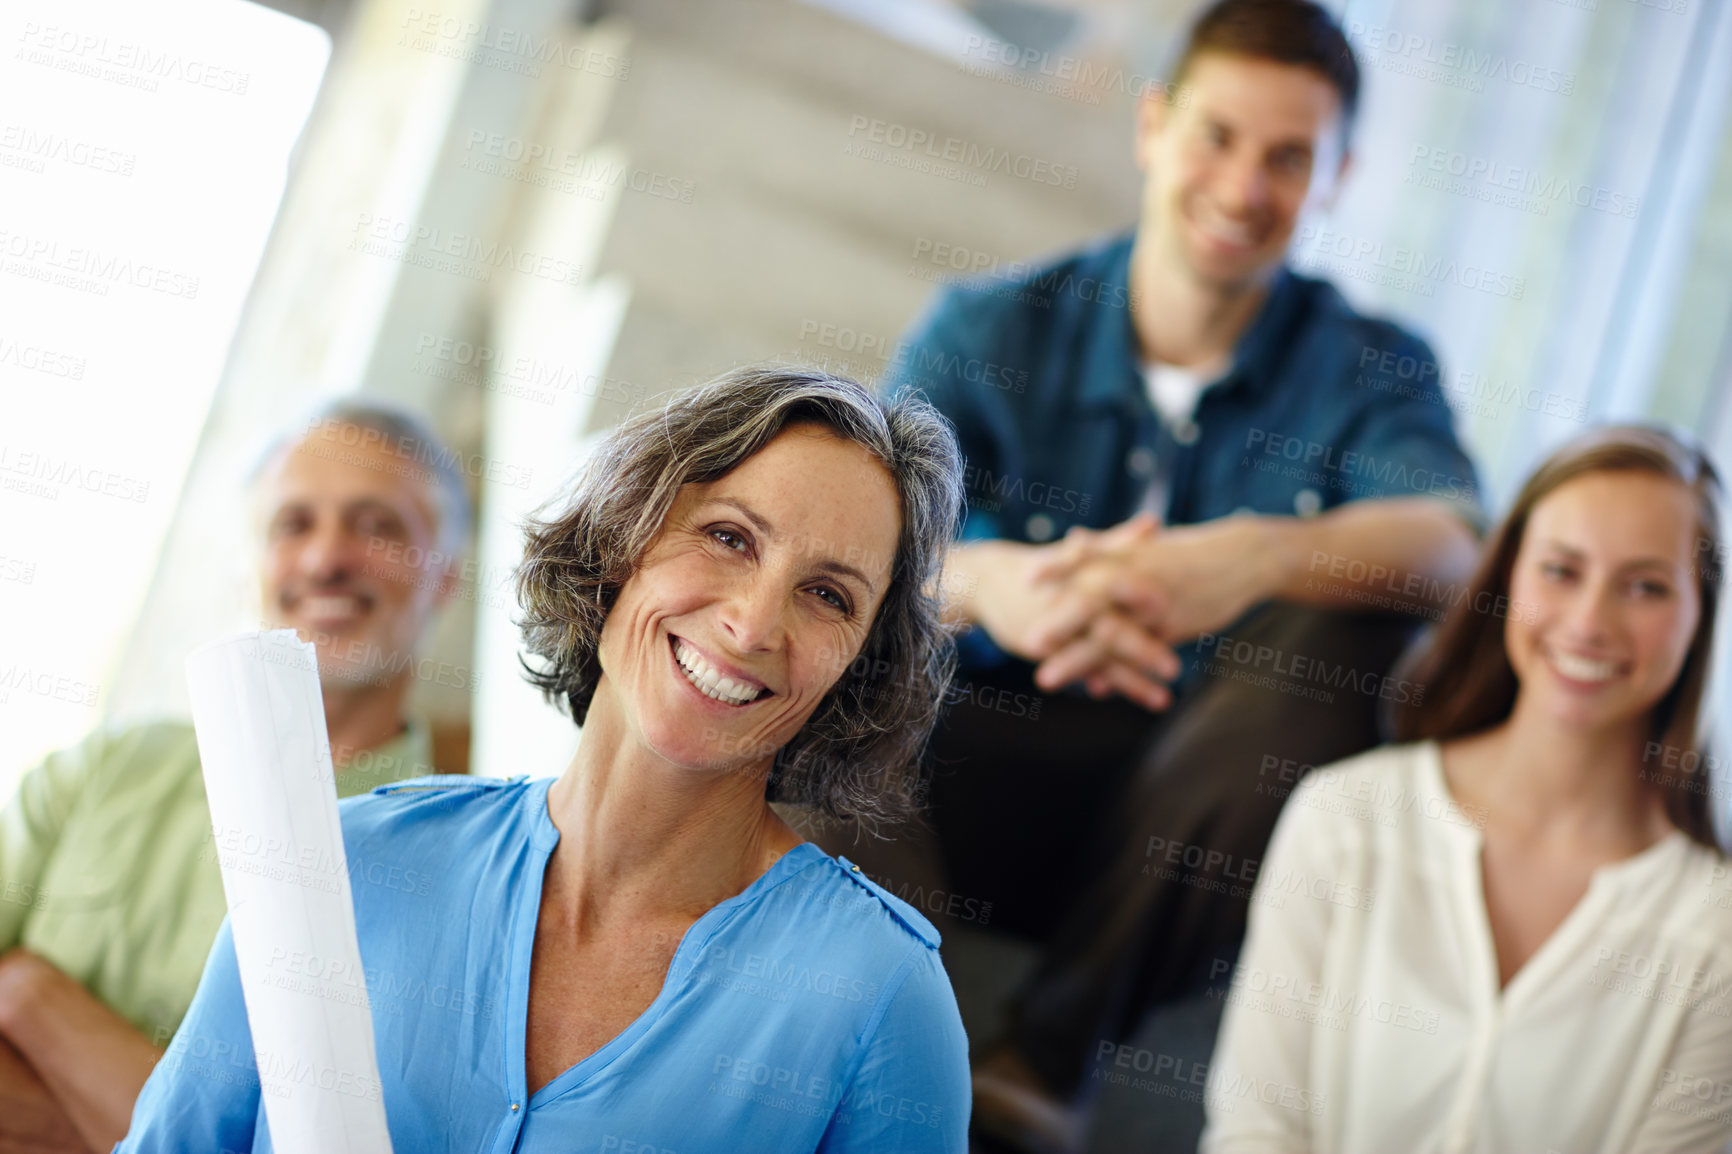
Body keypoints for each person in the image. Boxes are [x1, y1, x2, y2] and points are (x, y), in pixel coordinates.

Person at [872, 0, 1485, 1146]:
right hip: (972, 775)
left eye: (1288, 157)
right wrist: (996, 580)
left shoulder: (1370, 366)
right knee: (862, 630)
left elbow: (1455, 544)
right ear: (1153, 126)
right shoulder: (992, 326)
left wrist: (1245, 557)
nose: (1245, 186)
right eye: (1218, 136)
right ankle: (890, 1045)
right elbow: (861, 536)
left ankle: (1048, 1059)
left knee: (1344, 631)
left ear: (1336, 175)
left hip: (1211, 818)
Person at [116, 368, 973, 1152]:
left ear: (859, 669)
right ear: (620, 544)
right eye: (728, 537)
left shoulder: (879, 997)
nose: (753, 624)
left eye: (828, 595)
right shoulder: (344, 862)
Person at [1202, 425, 1732, 1152]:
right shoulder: (1345, 820)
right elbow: (1254, 1130)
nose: (1589, 623)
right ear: (1508, 579)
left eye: (1645, 586)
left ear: (1699, 617)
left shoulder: (1715, 932)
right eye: (1561, 570)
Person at [0, 401, 471, 1152]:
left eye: (377, 524)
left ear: (446, 576)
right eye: (293, 524)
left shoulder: (456, 869)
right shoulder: (106, 767)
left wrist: (30, 997)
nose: (325, 559)